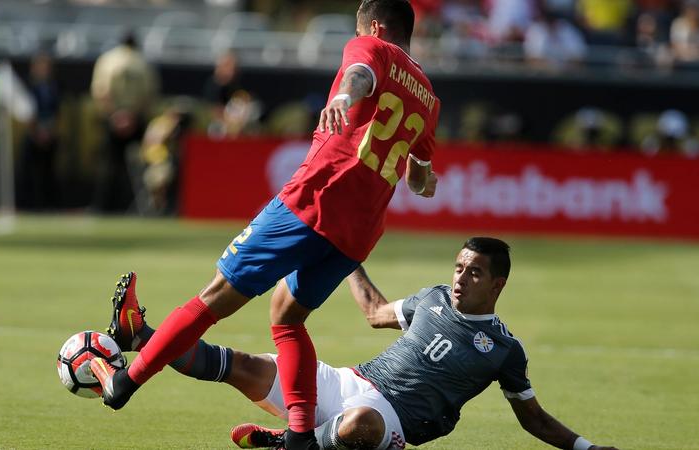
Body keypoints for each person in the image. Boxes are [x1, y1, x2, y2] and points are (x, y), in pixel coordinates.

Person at [89, 2, 440, 449]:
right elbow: (420, 175)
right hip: (360, 230)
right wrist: (426, 180)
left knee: (216, 296)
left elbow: (359, 76)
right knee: (288, 318)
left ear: (374, 26)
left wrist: (342, 98)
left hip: (316, 198)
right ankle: (299, 437)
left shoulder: (370, 47)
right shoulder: (429, 96)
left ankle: (127, 380)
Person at [94, 238, 618, 450]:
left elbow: (533, 418)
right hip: (348, 382)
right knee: (239, 366)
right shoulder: (431, 299)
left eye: (474, 272)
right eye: (458, 267)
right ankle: (141, 336)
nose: (461, 278)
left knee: (361, 426)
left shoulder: (505, 349)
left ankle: (284, 444)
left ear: (498, 284)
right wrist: (346, 258)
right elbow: (374, 311)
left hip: (390, 423)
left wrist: (587, 448)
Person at [90, 30, 159, 213]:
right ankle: (140, 206)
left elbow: (100, 91)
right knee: (141, 165)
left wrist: (116, 115)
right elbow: (150, 95)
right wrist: (132, 117)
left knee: (109, 165)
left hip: (113, 119)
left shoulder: (107, 60)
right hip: (136, 121)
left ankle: (103, 206)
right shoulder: (143, 62)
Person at [18, 51, 60, 210]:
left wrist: (49, 131)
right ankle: (27, 205)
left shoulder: (54, 86)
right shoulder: (28, 85)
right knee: (28, 171)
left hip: (48, 133)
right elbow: (26, 112)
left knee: (48, 173)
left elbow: (56, 112)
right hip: (32, 133)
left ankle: (48, 205)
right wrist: (35, 131)